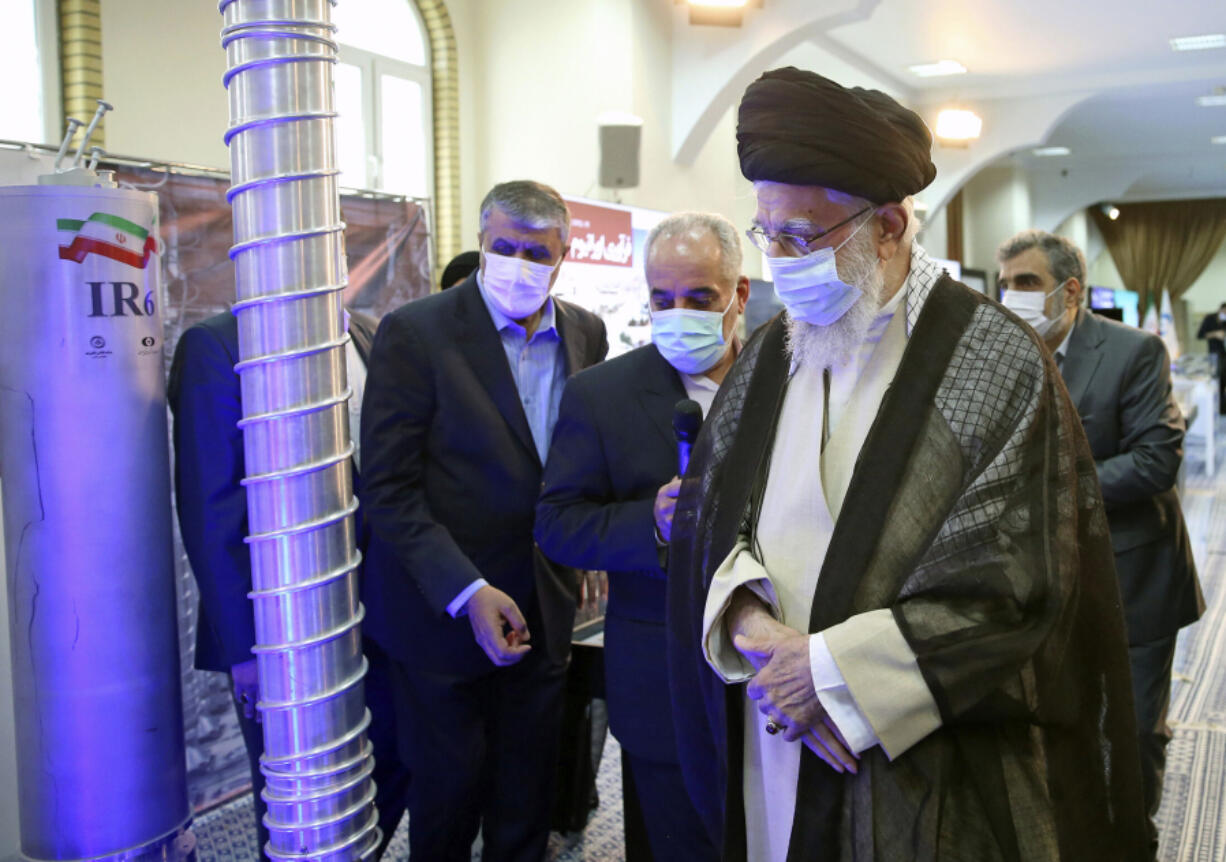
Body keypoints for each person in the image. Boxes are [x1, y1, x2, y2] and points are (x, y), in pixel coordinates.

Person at [666, 67, 1148, 862]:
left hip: (914, 746)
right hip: (775, 725)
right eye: (767, 234)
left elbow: (1015, 584)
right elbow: (715, 523)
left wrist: (827, 673)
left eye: (801, 236)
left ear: (887, 226)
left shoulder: (991, 359)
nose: (781, 260)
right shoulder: (766, 356)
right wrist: (753, 632)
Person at [359, 180, 608, 862]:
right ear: (481, 242)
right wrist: (467, 591)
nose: (520, 263)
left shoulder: (586, 332)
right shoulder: (417, 333)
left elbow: (575, 461)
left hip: (543, 607)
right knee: (447, 800)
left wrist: (584, 547)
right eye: (505, 247)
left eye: (537, 251)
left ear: (565, 252)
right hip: (441, 616)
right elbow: (388, 488)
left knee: (526, 801)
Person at [536, 212, 747, 862]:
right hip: (662, 679)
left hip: (776, 679)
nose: (678, 311)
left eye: (699, 298)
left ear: (738, 296)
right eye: (663, 298)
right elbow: (558, 524)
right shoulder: (601, 395)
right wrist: (648, 525)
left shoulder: (787, 380)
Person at [168, 308, 409, 857]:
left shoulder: (369, 331)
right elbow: (212, 511)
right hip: (281, 629)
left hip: (379, 610)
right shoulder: (219, 344)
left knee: (395, 760)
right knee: (295, 796)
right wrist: (246, 650)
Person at [998, 229, 1203, 858]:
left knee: (1135, 731)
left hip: (1132, 578)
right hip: (1041, 583)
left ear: (1071, 291)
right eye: (1005, 285)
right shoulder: (1003, 357)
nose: (1012, 297)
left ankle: (1133, 840)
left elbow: (1154, 461)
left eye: (1026, 284)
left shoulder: (1132, 351)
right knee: (1065, 725)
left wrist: (1052, 486)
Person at [1195, 300, 1226, 413]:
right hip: (1215, 355)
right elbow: (1200, 335)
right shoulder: (1210, 319)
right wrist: (1215, 334)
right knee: (1217, 381)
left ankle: (1223, 408)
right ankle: (1217, 408)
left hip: (1224, 354)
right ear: (1220, 310)